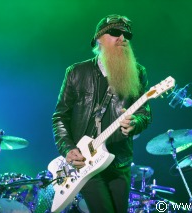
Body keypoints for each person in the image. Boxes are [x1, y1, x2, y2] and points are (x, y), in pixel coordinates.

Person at [52, 14, 152, 213]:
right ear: (99, 38)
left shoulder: (138, 72)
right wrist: (68, 148)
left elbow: (144, 113)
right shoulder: (76, 72)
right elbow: (60, 116)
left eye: (126, 34)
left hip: (119, 161)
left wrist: (136, 122)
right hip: (85, 160)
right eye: (115, 32)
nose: (122, 38)